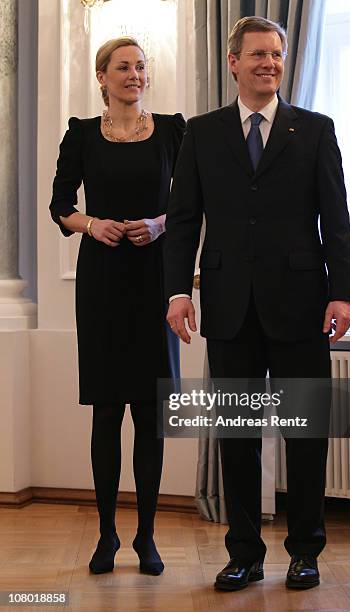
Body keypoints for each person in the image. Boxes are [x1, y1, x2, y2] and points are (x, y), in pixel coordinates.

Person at [165, 17, 350, 591]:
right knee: (238, 435)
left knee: (304, 434)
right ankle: (244, 553)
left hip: (302, 305)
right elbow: (182, 223)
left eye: (276, 54)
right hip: (228, 306)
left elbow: (337, 219)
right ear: (233, 62)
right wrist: (178, 291)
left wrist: (343, 292)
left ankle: (306, 552)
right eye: (257, 55)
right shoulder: (200, 134)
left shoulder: (316, 130)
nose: (269, 63)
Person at [49, 37, 185, 576]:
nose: (135, 74)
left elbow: (192, 203)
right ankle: (106, 536)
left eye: (141, 67)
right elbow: (61, 205)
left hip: (155, 277)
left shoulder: (174, 128)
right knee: (107, 412)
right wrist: (91, 224)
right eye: (123, 67)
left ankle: (146, 537)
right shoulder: (81, 134)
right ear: (102, 77)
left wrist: (160, 223)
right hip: (103, 277)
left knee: (150, 413)